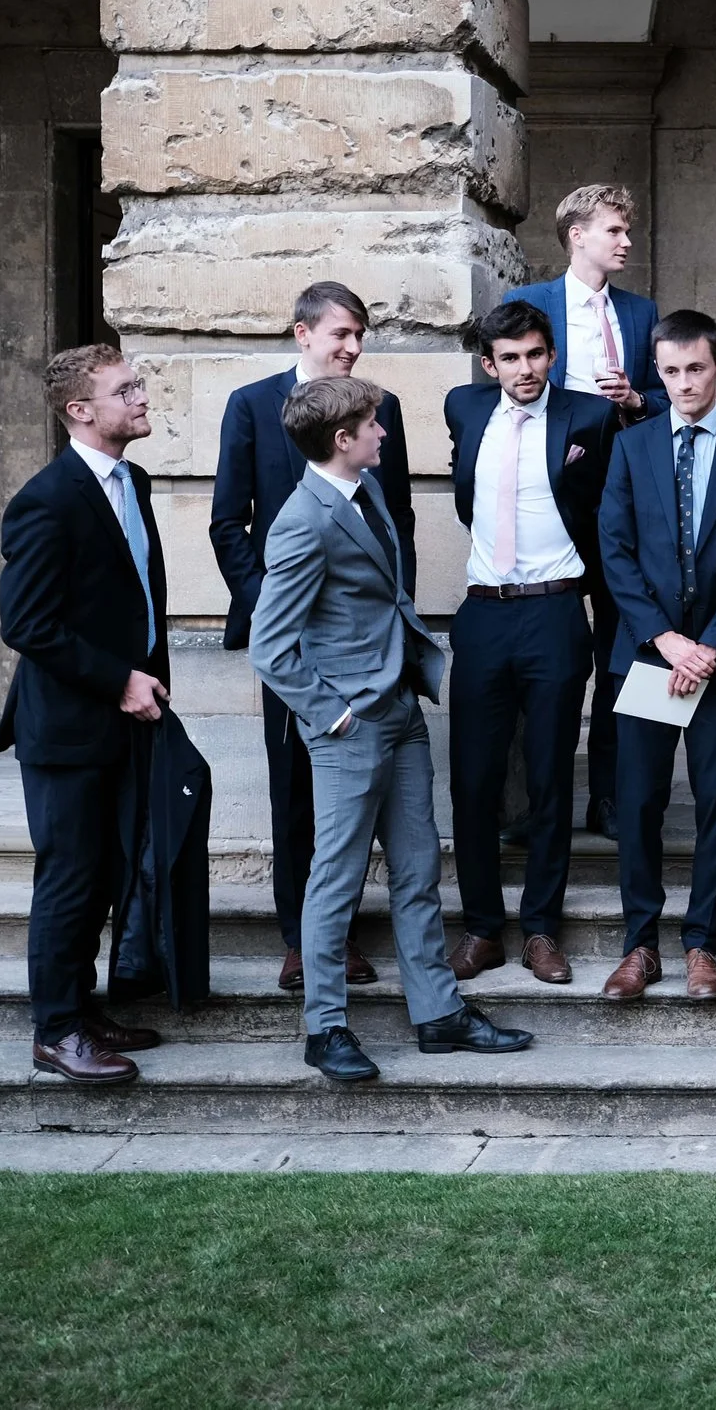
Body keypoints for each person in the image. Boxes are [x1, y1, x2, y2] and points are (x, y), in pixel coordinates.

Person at [250, 375, 533, 1082]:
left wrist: (419, 674)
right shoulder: (301, 520)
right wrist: (334, 714)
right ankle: (325, 1028)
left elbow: (387, 598)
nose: (384, 432)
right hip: (350, 727)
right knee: (336, 881)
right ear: (342, 440)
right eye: (373, 424)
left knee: (417, 871)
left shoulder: (364, 489)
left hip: (401, 713)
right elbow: (269, 646)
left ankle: (438, 1015)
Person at [208, 281, 414, 991]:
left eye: (361, 335)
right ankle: (301, 939)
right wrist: (274, 611)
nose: (353, 347)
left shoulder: (376, 412)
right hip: (294, 644)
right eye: (342, 334)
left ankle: (345, 930)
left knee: (361, 793)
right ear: (302, 334)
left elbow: (401, 526)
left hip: (367, 648)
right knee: (296, 784)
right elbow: (227, 521)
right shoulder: (251, 405)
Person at [595, 309, 716, 1002]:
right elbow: (614, 551)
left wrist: (708, 646)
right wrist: (666, 639)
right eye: (671, 371)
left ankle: (703, 941)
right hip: (650, 656)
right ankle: (639, 945)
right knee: (641, 800)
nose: (684, 383)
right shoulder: (633, 448)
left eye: (697, 368)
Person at [0, 345, 171, 1086]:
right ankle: (55, 1030)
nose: (141, 395)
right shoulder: (47, 499)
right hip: (68, 728)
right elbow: (27, 624)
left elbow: (135, 598)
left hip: (129, 717)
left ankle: (83, 1005)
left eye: (137, 383)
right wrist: (119, 679)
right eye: (125, 388)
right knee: (69, 879)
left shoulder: (133, 479)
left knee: (105, 873)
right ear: (80, 410)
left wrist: (151, 682)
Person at [441, 301, 614, 984]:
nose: (525, 368)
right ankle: (483, 927)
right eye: (510, 357)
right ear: (490, 364)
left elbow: (603, 511)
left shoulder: (588, 417)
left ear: (551, 355)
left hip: (556, 610)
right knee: (474, 779)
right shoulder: (464, 406)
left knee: (547, 777)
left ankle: (541, 927)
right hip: (484, 611)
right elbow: (465, 497)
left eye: (536, 354)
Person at [503, 182, 666, 840]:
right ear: (577, 233)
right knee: (539, 649)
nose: (626, 240)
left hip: (625, 499)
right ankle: (532, 809)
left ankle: (621, 799)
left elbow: (665, 393)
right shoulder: (528, 304)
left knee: (635, 646)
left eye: (627, 230)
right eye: (615, 230)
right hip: (546, 501)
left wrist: (634, 398)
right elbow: (503, 396)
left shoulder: (640, 309)